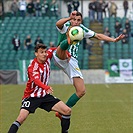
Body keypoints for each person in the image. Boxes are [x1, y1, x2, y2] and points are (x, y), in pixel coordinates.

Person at [53, 11, 125, 118]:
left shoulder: (82, 29)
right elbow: (58, 24)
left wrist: (113, 40)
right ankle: (66, 45)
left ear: (81, 21)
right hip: (60, 54)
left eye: (78, 20)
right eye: (74, 19)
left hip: (72, 61)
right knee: (63, 51)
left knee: (81, 91)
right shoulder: (66, 25)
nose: (76, 22)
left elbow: (98, 36)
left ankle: (62, 111)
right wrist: (69, 18)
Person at [8, 44, 71, 133]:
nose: (44, 54)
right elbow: (36, 80)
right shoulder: (33, 67)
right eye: (41, 52)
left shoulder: (47, 57)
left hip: (44, 96)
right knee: (21, 118)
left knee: (67, 110)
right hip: (31, 96)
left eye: (45, 52)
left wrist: (67, 53)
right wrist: (46, 87)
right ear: (36, 54)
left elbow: (56, 49)